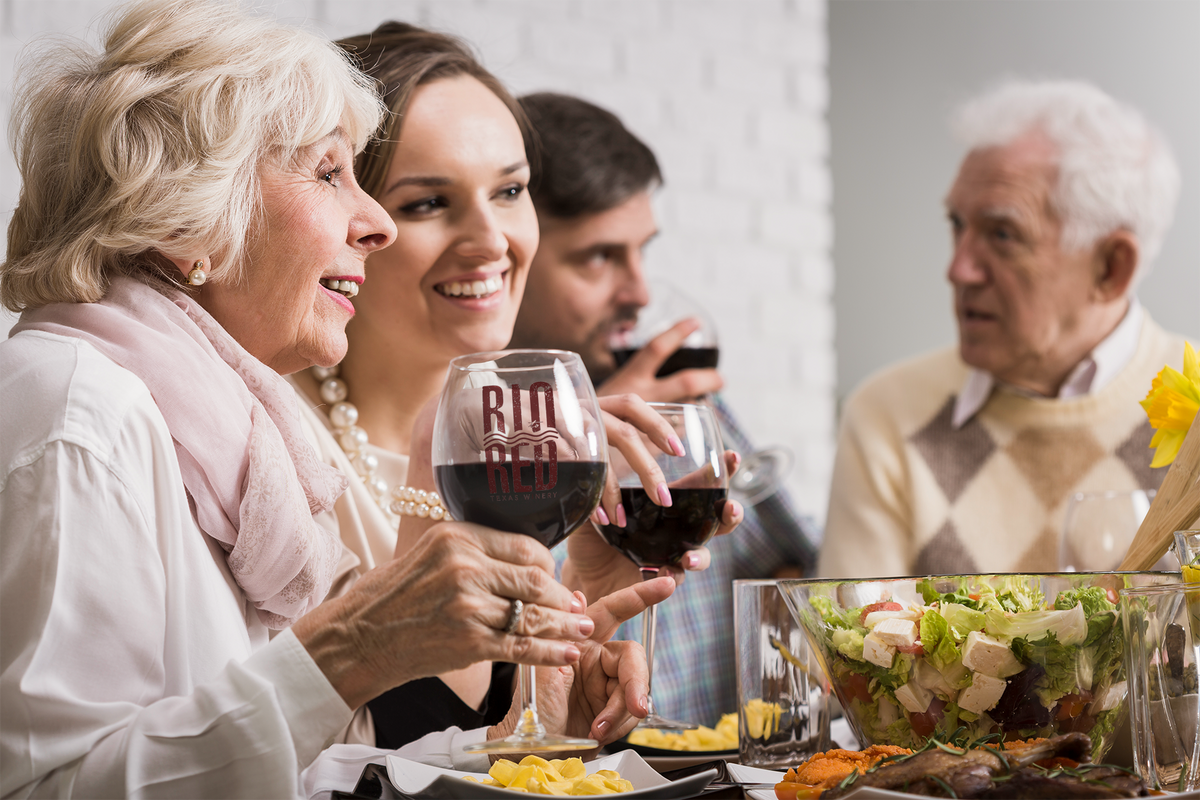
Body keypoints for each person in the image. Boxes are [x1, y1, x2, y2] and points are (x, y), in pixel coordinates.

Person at [0, 3, 658, 795]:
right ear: (190, 224)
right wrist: (346, 654)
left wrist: (533, 729)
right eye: (328, 173)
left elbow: (298, 772)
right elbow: (46, 787)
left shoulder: (240, 438)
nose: (373, 222)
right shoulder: (83, 415)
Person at [288, 24, 744, 749]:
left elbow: (482, 754)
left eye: (509, 190)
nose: (491, 240)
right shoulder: (271, 458)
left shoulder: (521, 463)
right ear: (354, 223)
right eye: (427, 204)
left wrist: (572, 642)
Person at [508, 92, 821, 725]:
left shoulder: (681, 402)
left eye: (641, 250)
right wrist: (588, 436)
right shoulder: (474, 435)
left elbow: (786, 570)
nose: (640, 291)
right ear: (513, 247)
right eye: (599, 257)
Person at [820, 79, 1188, 578]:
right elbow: (850, 652)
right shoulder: (887, 415)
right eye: (957, 224)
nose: (958, 269)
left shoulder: (1194, 414)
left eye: (1002, 234)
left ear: (1110, 268)